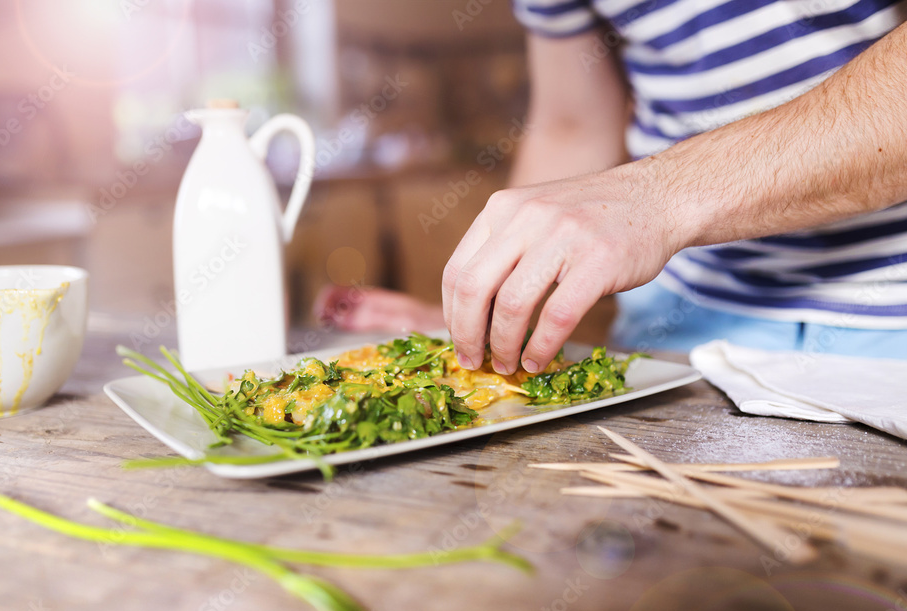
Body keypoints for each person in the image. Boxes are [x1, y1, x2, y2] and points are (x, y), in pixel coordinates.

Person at [320, 0, 907, 370]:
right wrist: (489, 317)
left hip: (887, 323)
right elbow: (573, 125)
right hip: (678, 323)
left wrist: (659, 196)